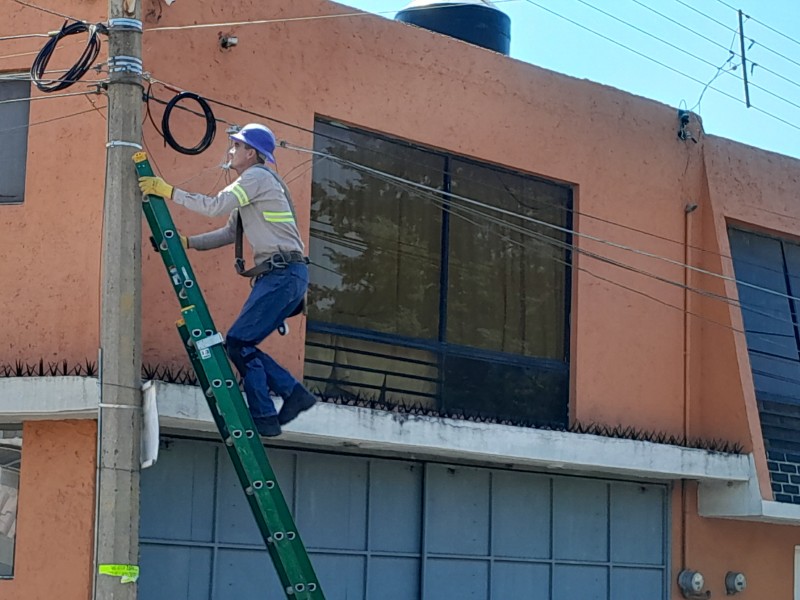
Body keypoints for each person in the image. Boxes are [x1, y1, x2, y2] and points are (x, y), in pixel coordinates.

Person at [138, 123, 317, 437]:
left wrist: (168, 191)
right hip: (283, 275)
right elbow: (226, 233)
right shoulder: (254, 186)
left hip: (282, 274)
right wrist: (188, 242)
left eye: (237, 146)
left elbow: (213, 206)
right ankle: (286, 399)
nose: (231, 151)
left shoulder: (256, 178)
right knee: (240, 344)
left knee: (238, 343)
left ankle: (271, 409)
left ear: (251, 153)